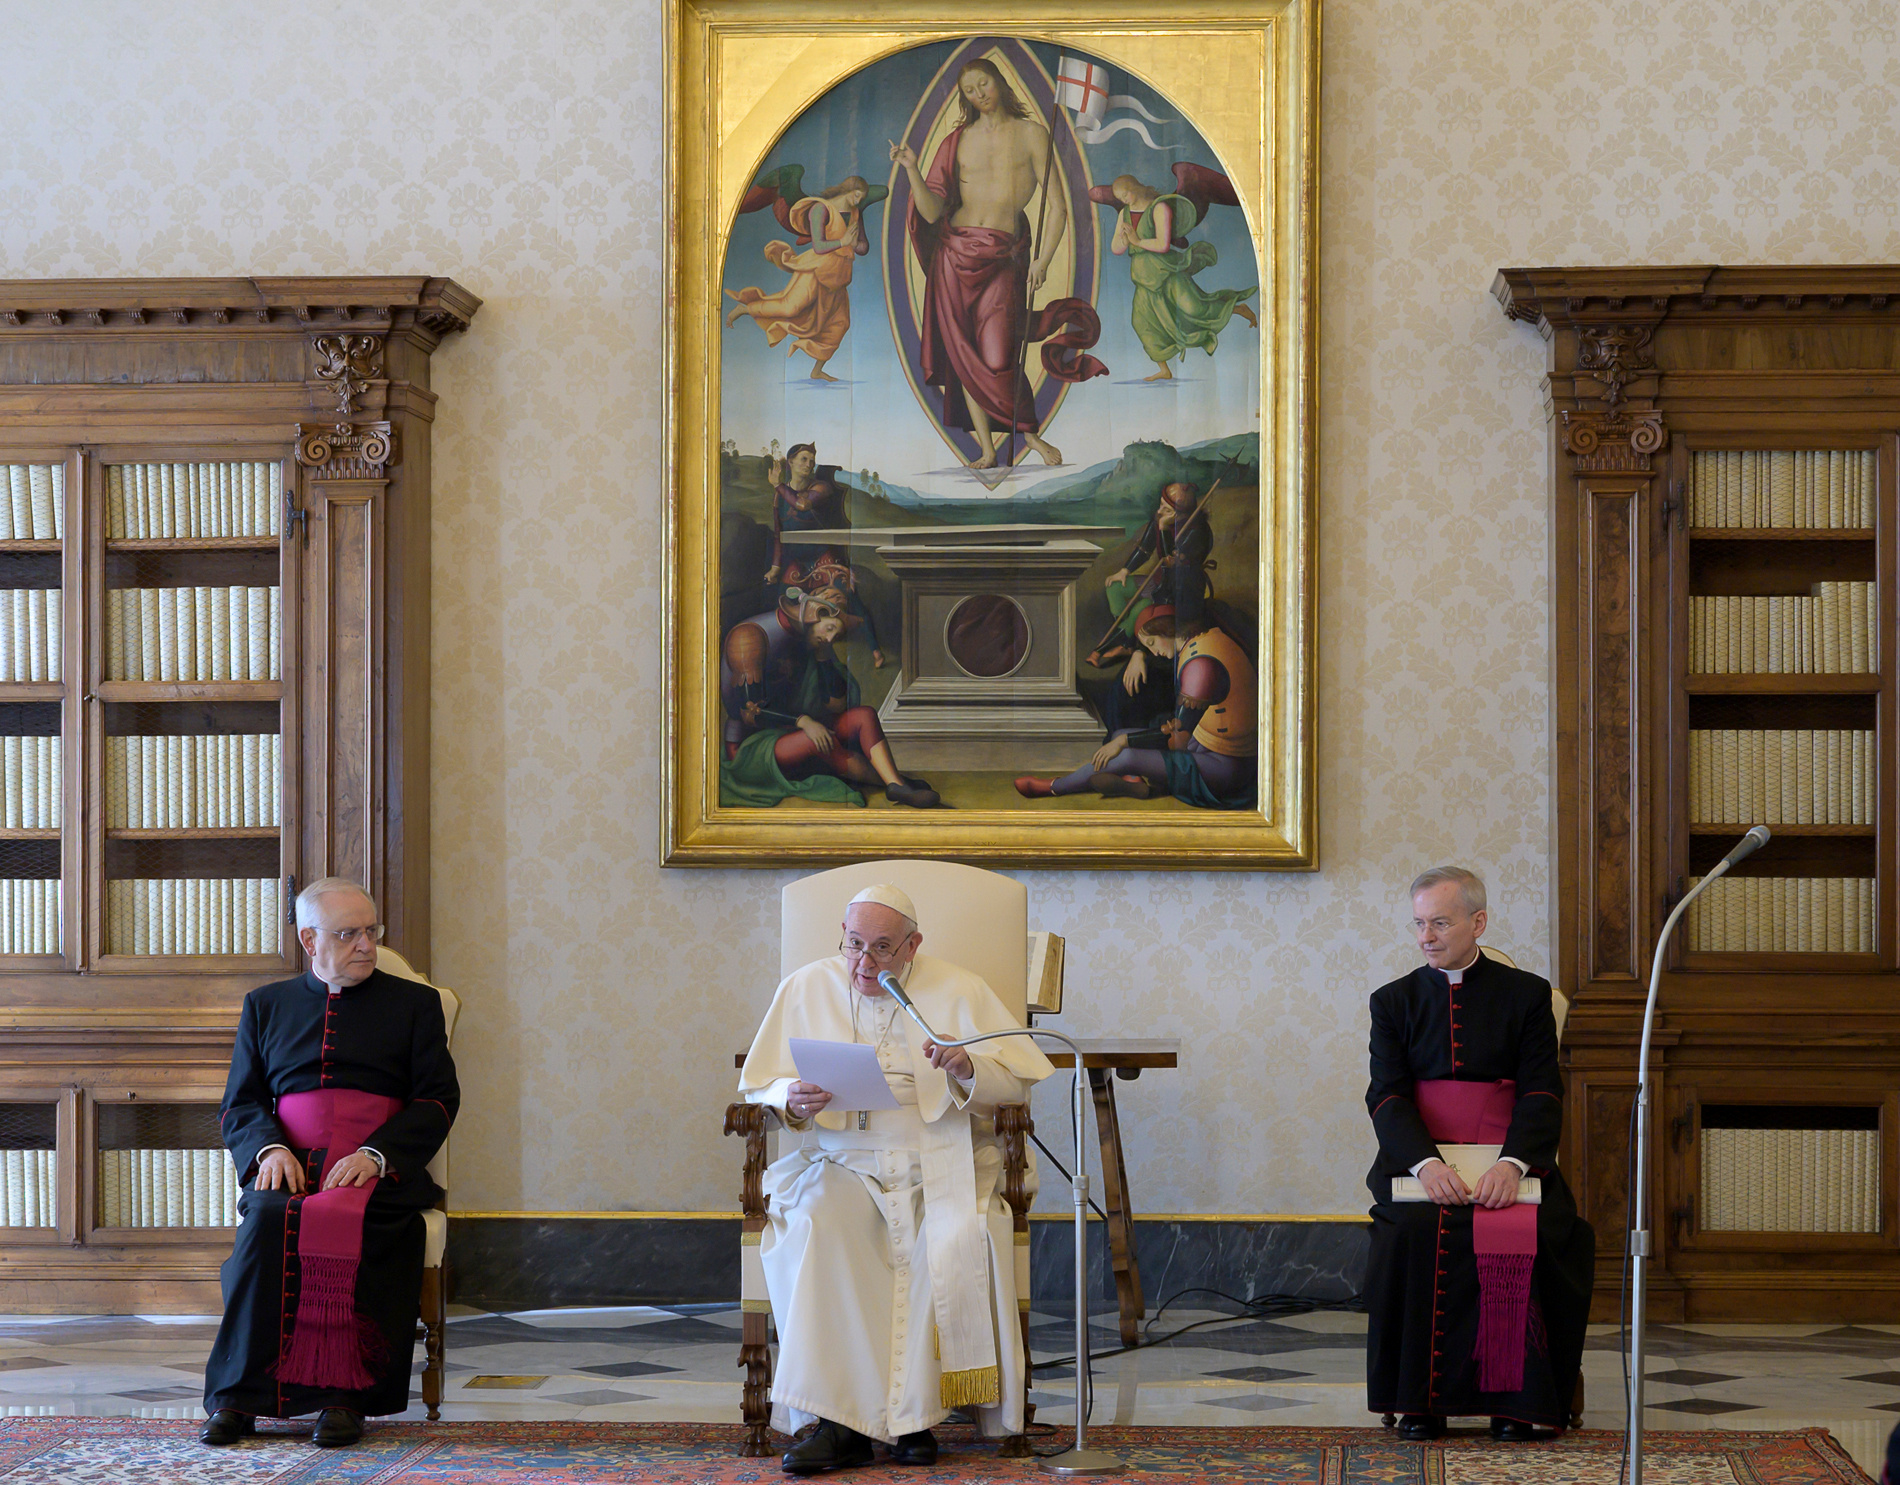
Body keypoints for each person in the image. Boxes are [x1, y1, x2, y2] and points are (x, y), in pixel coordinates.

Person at [738, 884, 1052, 1473]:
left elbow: (1017, 1081)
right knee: (817, 1222)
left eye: (882, 949)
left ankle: (917, 1421)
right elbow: (761, 1083)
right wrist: (792, 1097)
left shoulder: (959, 989)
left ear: (913, 946)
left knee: (946, 1237)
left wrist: (969, 1067)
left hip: (940, 1157)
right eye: (853, 945)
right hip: (841, 1160)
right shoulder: (806, 987)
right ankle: (835, 1423)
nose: (863, 964)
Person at [201, 878, 457, 1448]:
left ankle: (343, 1399)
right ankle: (237, 1399)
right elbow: (240, 1102)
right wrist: (268, 1149)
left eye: (371, 931)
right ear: (309, 939)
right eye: (349, 934)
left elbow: (438, 1099)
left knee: (361, 1225)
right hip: (292, 1163)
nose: (366, 944)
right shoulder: (266, 1005)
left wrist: (377, 1154)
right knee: (268, 1222)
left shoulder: (416, 1006)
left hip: (375, 1167)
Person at [1363, 866, 1595, 1439]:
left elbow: (1542, 1089)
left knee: (1538, 1230)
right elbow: (1386, 1094)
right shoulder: (1392, 1002)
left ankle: (1517, 1403)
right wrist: (1426, 1163)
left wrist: (1513, 1166)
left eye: (1440, 922)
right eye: (1419, 923)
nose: (1426, 936)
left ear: (1478, 922)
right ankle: (1419, 1401)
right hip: (1423, 1166)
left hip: (1510, 1159)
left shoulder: (1528, 996)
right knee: (1411, 1231)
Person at [891, 58, 1105, 469]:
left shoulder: (1032, 135)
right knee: (964, 356)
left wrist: (1043, 258)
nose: (978, 94)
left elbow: (1058, 208)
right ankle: (989, 449)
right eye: (969, 90)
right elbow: (933, 212)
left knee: (997, 357)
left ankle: (1030, 436)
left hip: (1003, 259)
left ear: (1000, 82)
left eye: (983, 84)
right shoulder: (956, 141)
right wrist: (913, 170)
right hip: (953, 258)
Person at [719, 586, 938, 808]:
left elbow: (836, 705)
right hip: (750, 747)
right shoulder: (749, 637)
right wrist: (804, 721)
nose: (830, 639)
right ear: (813, 614)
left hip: (790, 732)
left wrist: (823, 660)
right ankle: (894, 783)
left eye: (836, 635)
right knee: (819, 739)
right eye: (830, 628)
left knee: (863, 716)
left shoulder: (813, 640)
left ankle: (894, 782)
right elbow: (749, 711)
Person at [1016, 604, 1255, 808]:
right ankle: (1135, 780)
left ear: (1168, 629)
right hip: (1205, 744)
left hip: (1227, 769)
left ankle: (1056, 786)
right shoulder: (1203, 640)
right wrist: (1123, 739)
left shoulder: (1201, 666)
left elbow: (1178, 737)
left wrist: (1124, 743)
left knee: (1124, 751)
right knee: (1120, 736)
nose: (1153, 652)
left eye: (1152, 642)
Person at [1103, 171, 1256, 381]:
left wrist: (1137, 241)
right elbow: (1116, 248)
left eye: (1125, 195)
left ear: (1135, 188)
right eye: (1120, 199)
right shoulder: (1125, 214)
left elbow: (1162, 244)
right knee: (1141, 322)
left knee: (1195, 308)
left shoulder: (1159, 208)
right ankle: (1164, 369)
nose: (1124, 201)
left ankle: (1237, 308)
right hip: (1143, 276)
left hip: (1166, 272)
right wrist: (1123, 239)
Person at [726, 174, 880, 383]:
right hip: (816, 269)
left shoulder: (854, 212)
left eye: (861, 198)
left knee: (840, 324)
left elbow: (863, 247)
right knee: (790, 307)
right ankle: (745, 308)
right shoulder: (820, 210)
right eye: (856, 195)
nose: (858, 201)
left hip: (838, 277)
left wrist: (853, 245)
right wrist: (843, 241)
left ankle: (817, 370)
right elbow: (819, 246)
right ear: (847, 190)